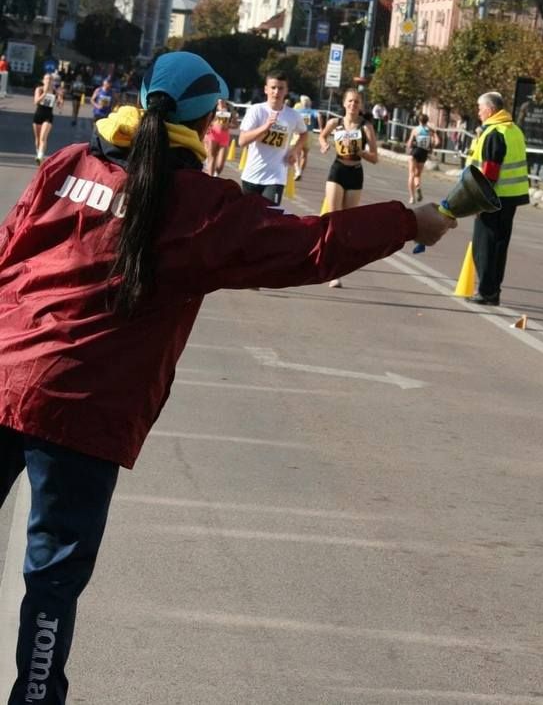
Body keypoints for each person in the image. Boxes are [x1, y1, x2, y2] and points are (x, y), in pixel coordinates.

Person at [0, 51, 454, 704]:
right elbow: (308, 248)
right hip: (79, 409)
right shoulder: (201, 208)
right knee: (50, 579)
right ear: (210, 119)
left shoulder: (68, 164)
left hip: (6, 369)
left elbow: (9, 251)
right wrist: (406, 220)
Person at [464, 91, 529, 306]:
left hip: (493, 199)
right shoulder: (514, 130)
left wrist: (480, 201)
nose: (478, 111)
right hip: (510, 198)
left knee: (484, 247)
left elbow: (490, 172)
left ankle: (485, 291)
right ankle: (493, 291)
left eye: (480, 107)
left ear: (490, 110)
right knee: (499, 247)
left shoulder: (494, 133)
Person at [319, 88, 378, 289]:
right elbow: (322, 136)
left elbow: (375, 158)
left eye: (357, 102)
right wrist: (324, 144)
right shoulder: (335, 123)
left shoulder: (366, 127)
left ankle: (337, 268)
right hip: (337, 171)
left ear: (360, 105)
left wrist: (360, 151)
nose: (353, 105)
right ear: (344, 103)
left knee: (347, 223)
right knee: (334, 219)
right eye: (350, 101)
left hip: (355, 173)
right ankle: (328, 264)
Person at [238, 70, 308, 206]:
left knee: (269, 219)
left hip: (276, 177)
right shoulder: (256, 110)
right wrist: (265, 127)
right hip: (251, 175)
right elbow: (242, 141)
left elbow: (304, 134)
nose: (276, 92)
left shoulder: (292, 115)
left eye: (281, 88)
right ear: (266, 89)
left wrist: (294, 151)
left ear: (286, 90)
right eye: (273, 88)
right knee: (247, 220)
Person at [406, 113, 440, 204]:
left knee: (411, 174)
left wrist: (410, 144)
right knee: (417, 175)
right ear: (427, 121)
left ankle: (412, 197)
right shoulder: (430, 131)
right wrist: (431, 145)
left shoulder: (416, 130)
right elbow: (437, 142)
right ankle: (418, 187)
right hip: (424, 153)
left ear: (419, 120)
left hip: (415, 151)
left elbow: (409, 144)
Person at [32, 73, 62, 165]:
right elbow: (36, 102)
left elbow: (59, 104)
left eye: (50, 79)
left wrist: (60, 100)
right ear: (43, 80)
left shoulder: (55, 91)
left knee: (43, 138)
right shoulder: (39, 89)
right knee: (37, 139)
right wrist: (44, 93)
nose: (48, 81)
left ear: (53, 81)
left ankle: (40, 156)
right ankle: (38, 154)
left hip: (48, 116)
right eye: (47, 79)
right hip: (38, 115)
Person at [204, 97, 238, 176]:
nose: (221, 101)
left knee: (220, 165)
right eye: (220, 99)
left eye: (223, 99)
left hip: (224, 137)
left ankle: (213, 173)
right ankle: (210, 178)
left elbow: (236, 125)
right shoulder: (213, 107)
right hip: (213, 135)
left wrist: (228, 125)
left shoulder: (230, 109)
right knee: (212, 158)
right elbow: (207, 120)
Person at [292, 94, 314, 180]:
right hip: (309, 133)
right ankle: (300, 171)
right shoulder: (312, 111)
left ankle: (297, 170)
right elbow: (319, 116)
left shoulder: (298, 111)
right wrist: (321, 127)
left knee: (296, 152)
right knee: (304, 154)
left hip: (299, 133)